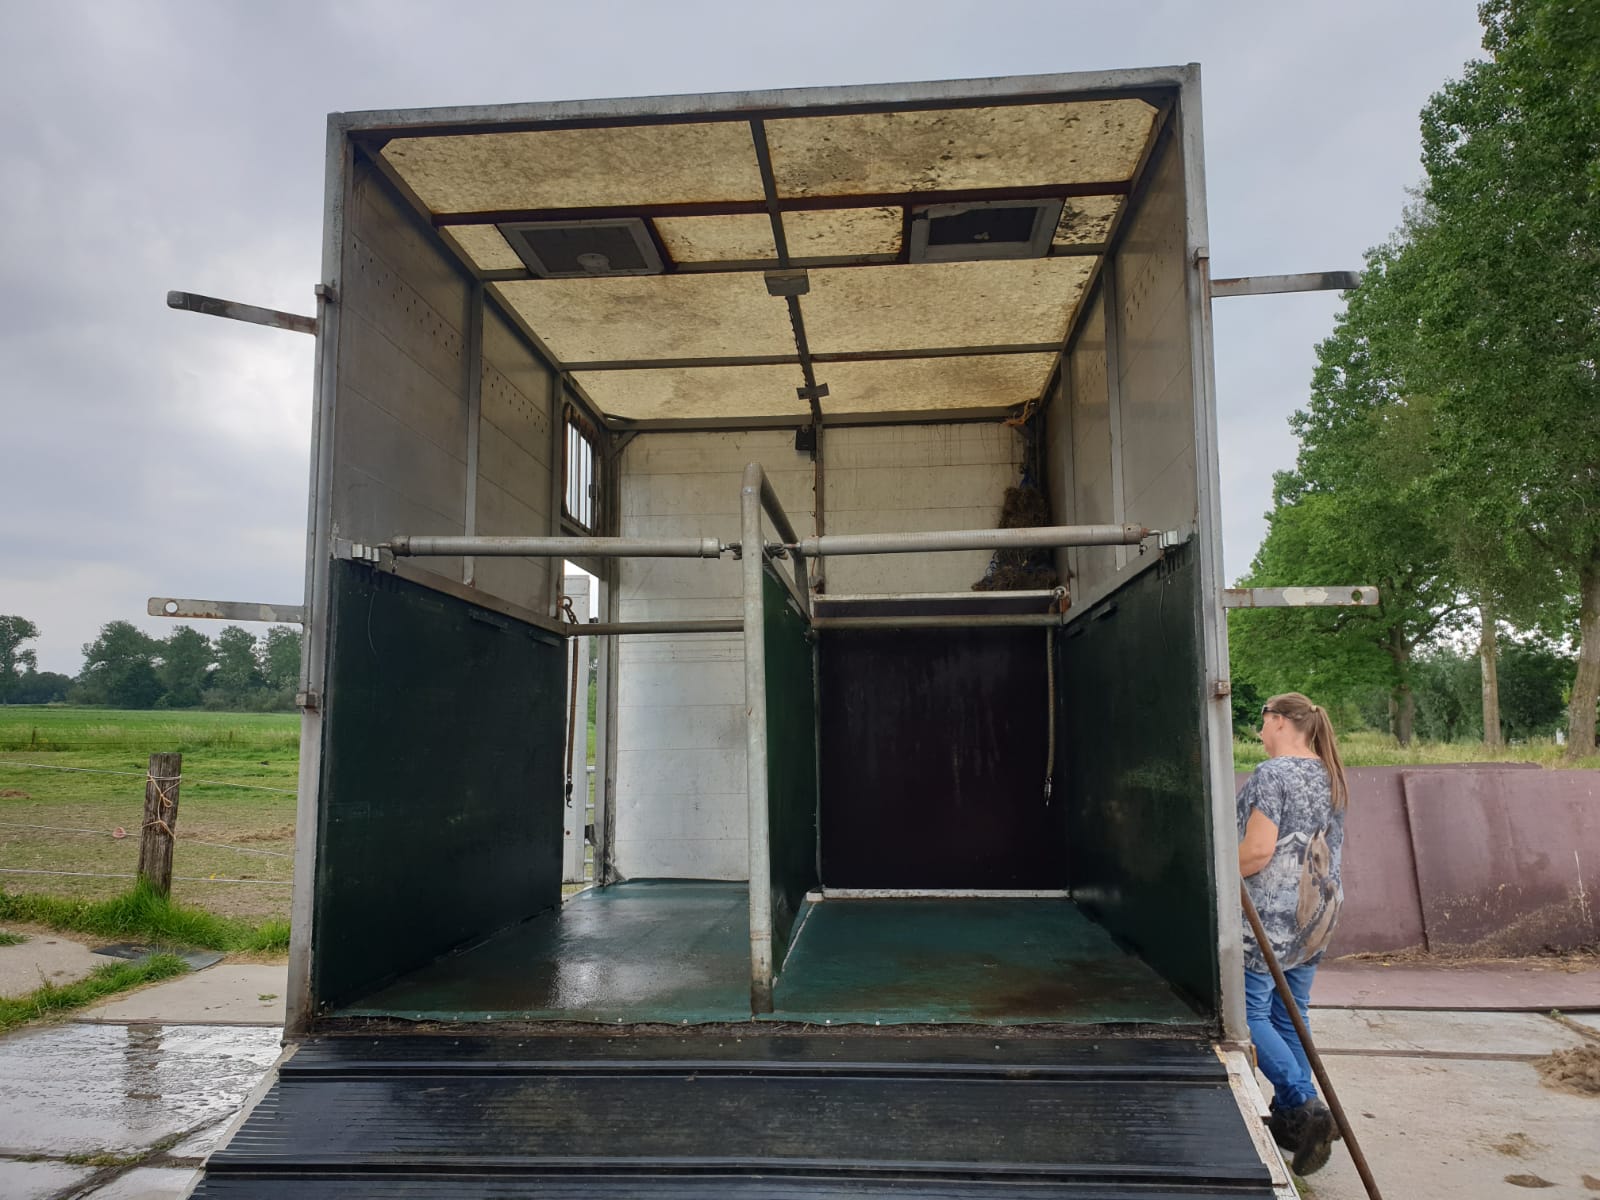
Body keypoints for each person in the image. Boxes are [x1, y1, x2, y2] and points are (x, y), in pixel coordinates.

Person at [1237, 692, 1348, 1177]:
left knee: (1249, 1012)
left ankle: (1304, 1105)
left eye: (1263, 723)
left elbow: (1258, 852)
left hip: (1269, 917)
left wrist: (1205, 869)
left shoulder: (1273, 775)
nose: (1259, 732)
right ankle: (1292, 1117)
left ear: (1279, 721)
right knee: (1292, 1013)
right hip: (1317, 915)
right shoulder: (1330, 773)